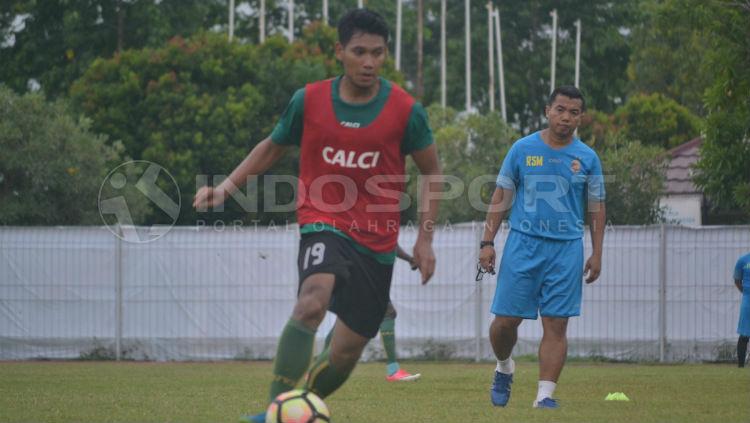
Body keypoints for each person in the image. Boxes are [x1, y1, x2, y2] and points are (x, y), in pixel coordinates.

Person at [193, 9, 440, 422]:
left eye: (377, 53)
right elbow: (271, 146)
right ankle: (276, 414)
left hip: (376, 242)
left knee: (346, 350)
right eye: (359, 52)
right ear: (339, 51)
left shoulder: (405, 109)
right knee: (312, 301)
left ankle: (297, 406)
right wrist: (225, 189)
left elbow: (432, 172)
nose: (369, 62)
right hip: (322, 220)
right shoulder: (308, 100)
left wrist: (425, 239)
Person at [478, 86, 606, 409]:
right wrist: (487, 242)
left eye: (574, 112)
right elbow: (501, 196)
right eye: (560, 109)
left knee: (557, 323)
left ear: (580, 117)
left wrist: (597, 252)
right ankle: (504, 366)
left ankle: (544, 396)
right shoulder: (522, 149)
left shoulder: (587, 158)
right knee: (504, 323)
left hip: (566, 249)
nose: (566, 117)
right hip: (523, 244)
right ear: (548, 110)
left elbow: (596, 207)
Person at [322, 244, 422, 382]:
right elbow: (388, 244)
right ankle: (393, 370)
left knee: (345, 318)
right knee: (387, 313)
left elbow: (389, 243)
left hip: (358, 270)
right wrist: (409, 259)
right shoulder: (367, 225)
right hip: (361, 271)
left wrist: (409, 259)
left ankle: (320, 367)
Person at [733, 252, 750, 368]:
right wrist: (746, 292)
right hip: (748, 298)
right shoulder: (742, 260)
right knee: (744, 333)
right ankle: (740, 366)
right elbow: (737, 281)